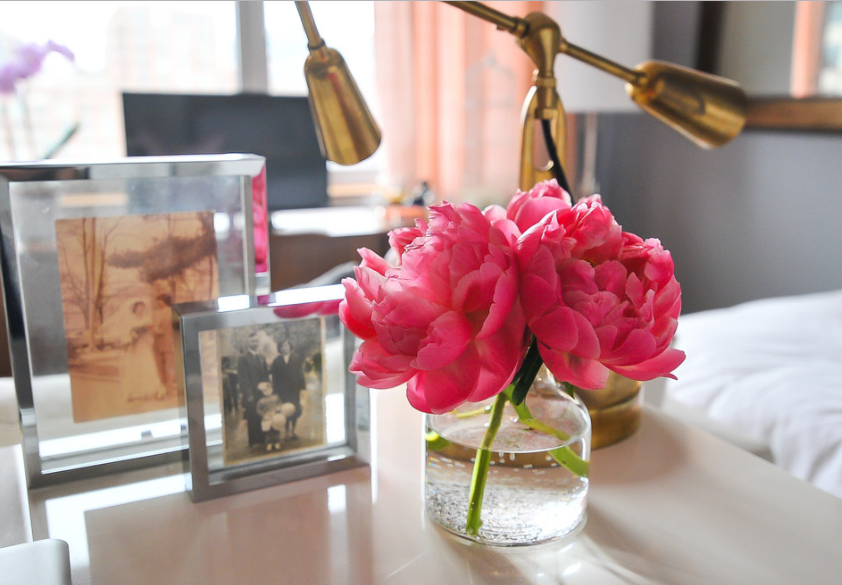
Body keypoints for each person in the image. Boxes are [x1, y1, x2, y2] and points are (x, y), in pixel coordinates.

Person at [121, 300, 167, 402]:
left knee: (147, 366)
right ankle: (133, 392)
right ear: (135, 308)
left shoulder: (147, 320)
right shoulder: (129, 319)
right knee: (135, 367)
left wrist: (147, 333)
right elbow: (126, 333)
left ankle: (152, 390)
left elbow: (151, 332)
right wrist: (132, 337)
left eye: (143, 307)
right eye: (139, 307)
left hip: (144, 346)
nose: (141, 309)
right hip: (134, 348)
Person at [238, 332, 270, 448]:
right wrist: (248, 394)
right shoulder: (243, 358)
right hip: (251, 393)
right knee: (252, 417)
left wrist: (267, 388)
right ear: (248, 343)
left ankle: (262, 438)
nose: (254, 343)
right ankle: (254, 441)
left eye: (256, 341)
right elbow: (243, 378)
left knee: (262, 414)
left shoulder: (261, 357)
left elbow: (265, 374)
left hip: (262, 392)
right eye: (252, 341)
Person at [270, 339, 306, 440]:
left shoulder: (296, 358)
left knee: (295, 410)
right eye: (282, 346)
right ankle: (286, 431)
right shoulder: (277, 361)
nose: (284, 348)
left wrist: (302, 388)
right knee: (284, 410)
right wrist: (276, 391)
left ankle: (293, 431)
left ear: (290, 346)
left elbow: (300, 374)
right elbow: (275, 378)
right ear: (279, 348)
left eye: (286, 345)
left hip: (295, 390)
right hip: (282, 391)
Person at [152, 293, 176, 396]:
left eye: (160, 300)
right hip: (157, 342)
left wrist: (163, 331)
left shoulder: (171, 312)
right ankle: (162, 388)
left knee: (169, 366)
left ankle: (169, 388)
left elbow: (173, 328)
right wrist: (153, 330)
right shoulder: (156, 313)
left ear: (165, 301)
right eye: (157, 300)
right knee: (159, 366)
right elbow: (153, 326)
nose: (158, 302)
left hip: (169, 342)